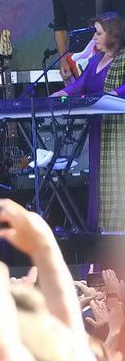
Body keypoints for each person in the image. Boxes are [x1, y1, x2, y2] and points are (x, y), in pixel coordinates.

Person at [49, 12, 125, 232]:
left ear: (113, 35)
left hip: (118, 130)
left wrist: (112, 95)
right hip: (98, 127)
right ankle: (102, 229)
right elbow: (79, 85)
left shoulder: (123, 59)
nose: (94, 37)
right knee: (100, 178)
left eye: (99, 33)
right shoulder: (95, 61)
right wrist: (61, 93)